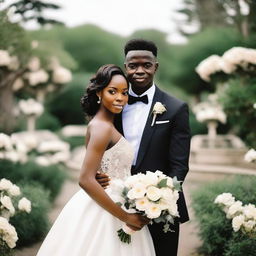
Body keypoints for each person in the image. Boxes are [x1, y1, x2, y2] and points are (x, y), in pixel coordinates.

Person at [36, 64, 155, 256]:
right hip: (109, 209)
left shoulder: (104, 124)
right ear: (99, 93)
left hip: (115, 198)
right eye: (112, 91)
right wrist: (126, 217)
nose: (120, 98)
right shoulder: (101, 128)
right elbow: (85, 179)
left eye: (124, 93)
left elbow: (97, 170)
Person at [97, 39, 191, 256]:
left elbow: (179, 165)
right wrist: (98, 173)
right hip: (116, 201)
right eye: (133, 65)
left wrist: (158, 197)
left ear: (155, 67)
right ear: (125, 66)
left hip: (161, 207)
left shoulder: (176, 109)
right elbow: (98, 147)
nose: (140, 70)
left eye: (146, 65)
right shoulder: (112, 105)